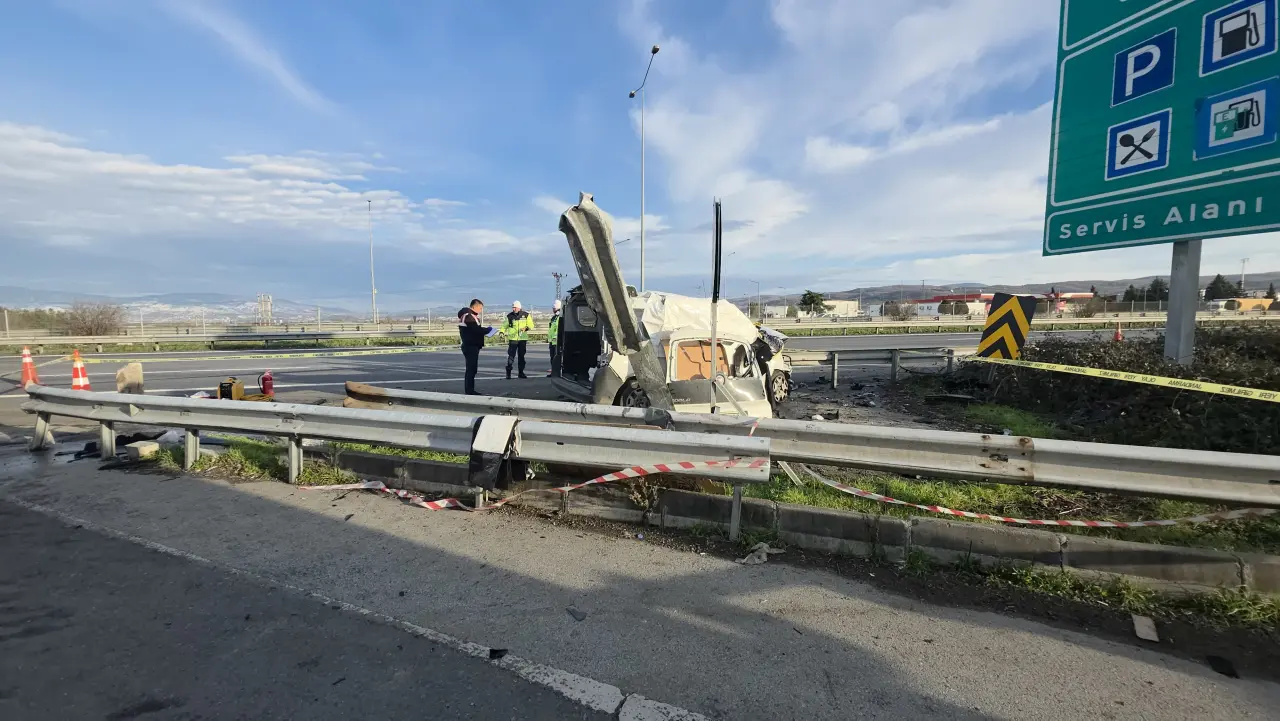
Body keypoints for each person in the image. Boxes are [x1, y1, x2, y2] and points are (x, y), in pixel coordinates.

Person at [457, 298, 492, 395]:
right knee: (471, 369)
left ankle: (470, 390)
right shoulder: (469, 316)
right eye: (480, 308)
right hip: (470, 346)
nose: (481, 311)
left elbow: (476, 329)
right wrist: (488, 330)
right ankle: (469, 391)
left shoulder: (470, 316)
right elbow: (475, 330)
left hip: (472, 346)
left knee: (472, 369)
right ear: (474, 307)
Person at [501, 300, 534, 379]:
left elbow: (531, 325)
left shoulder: (526, 315)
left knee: (521, 356)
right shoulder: (510, 316)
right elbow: (504, 326)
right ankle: (508, 373)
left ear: (519, 307)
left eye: (515, 307)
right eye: (513, 307)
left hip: (522, 339)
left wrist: (525, 328)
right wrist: (501, 332)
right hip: (513, 339)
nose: (513, 309)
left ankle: (521, 372)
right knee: (511, 356)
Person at [546, 299, 562, 376]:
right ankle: (554, 371)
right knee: (552, 357)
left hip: (557, 341)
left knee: (556, 358)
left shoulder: (560, 317)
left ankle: (557, 372)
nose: (553, 309)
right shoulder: (554, 318)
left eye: (554, 308)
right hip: (552, 341)